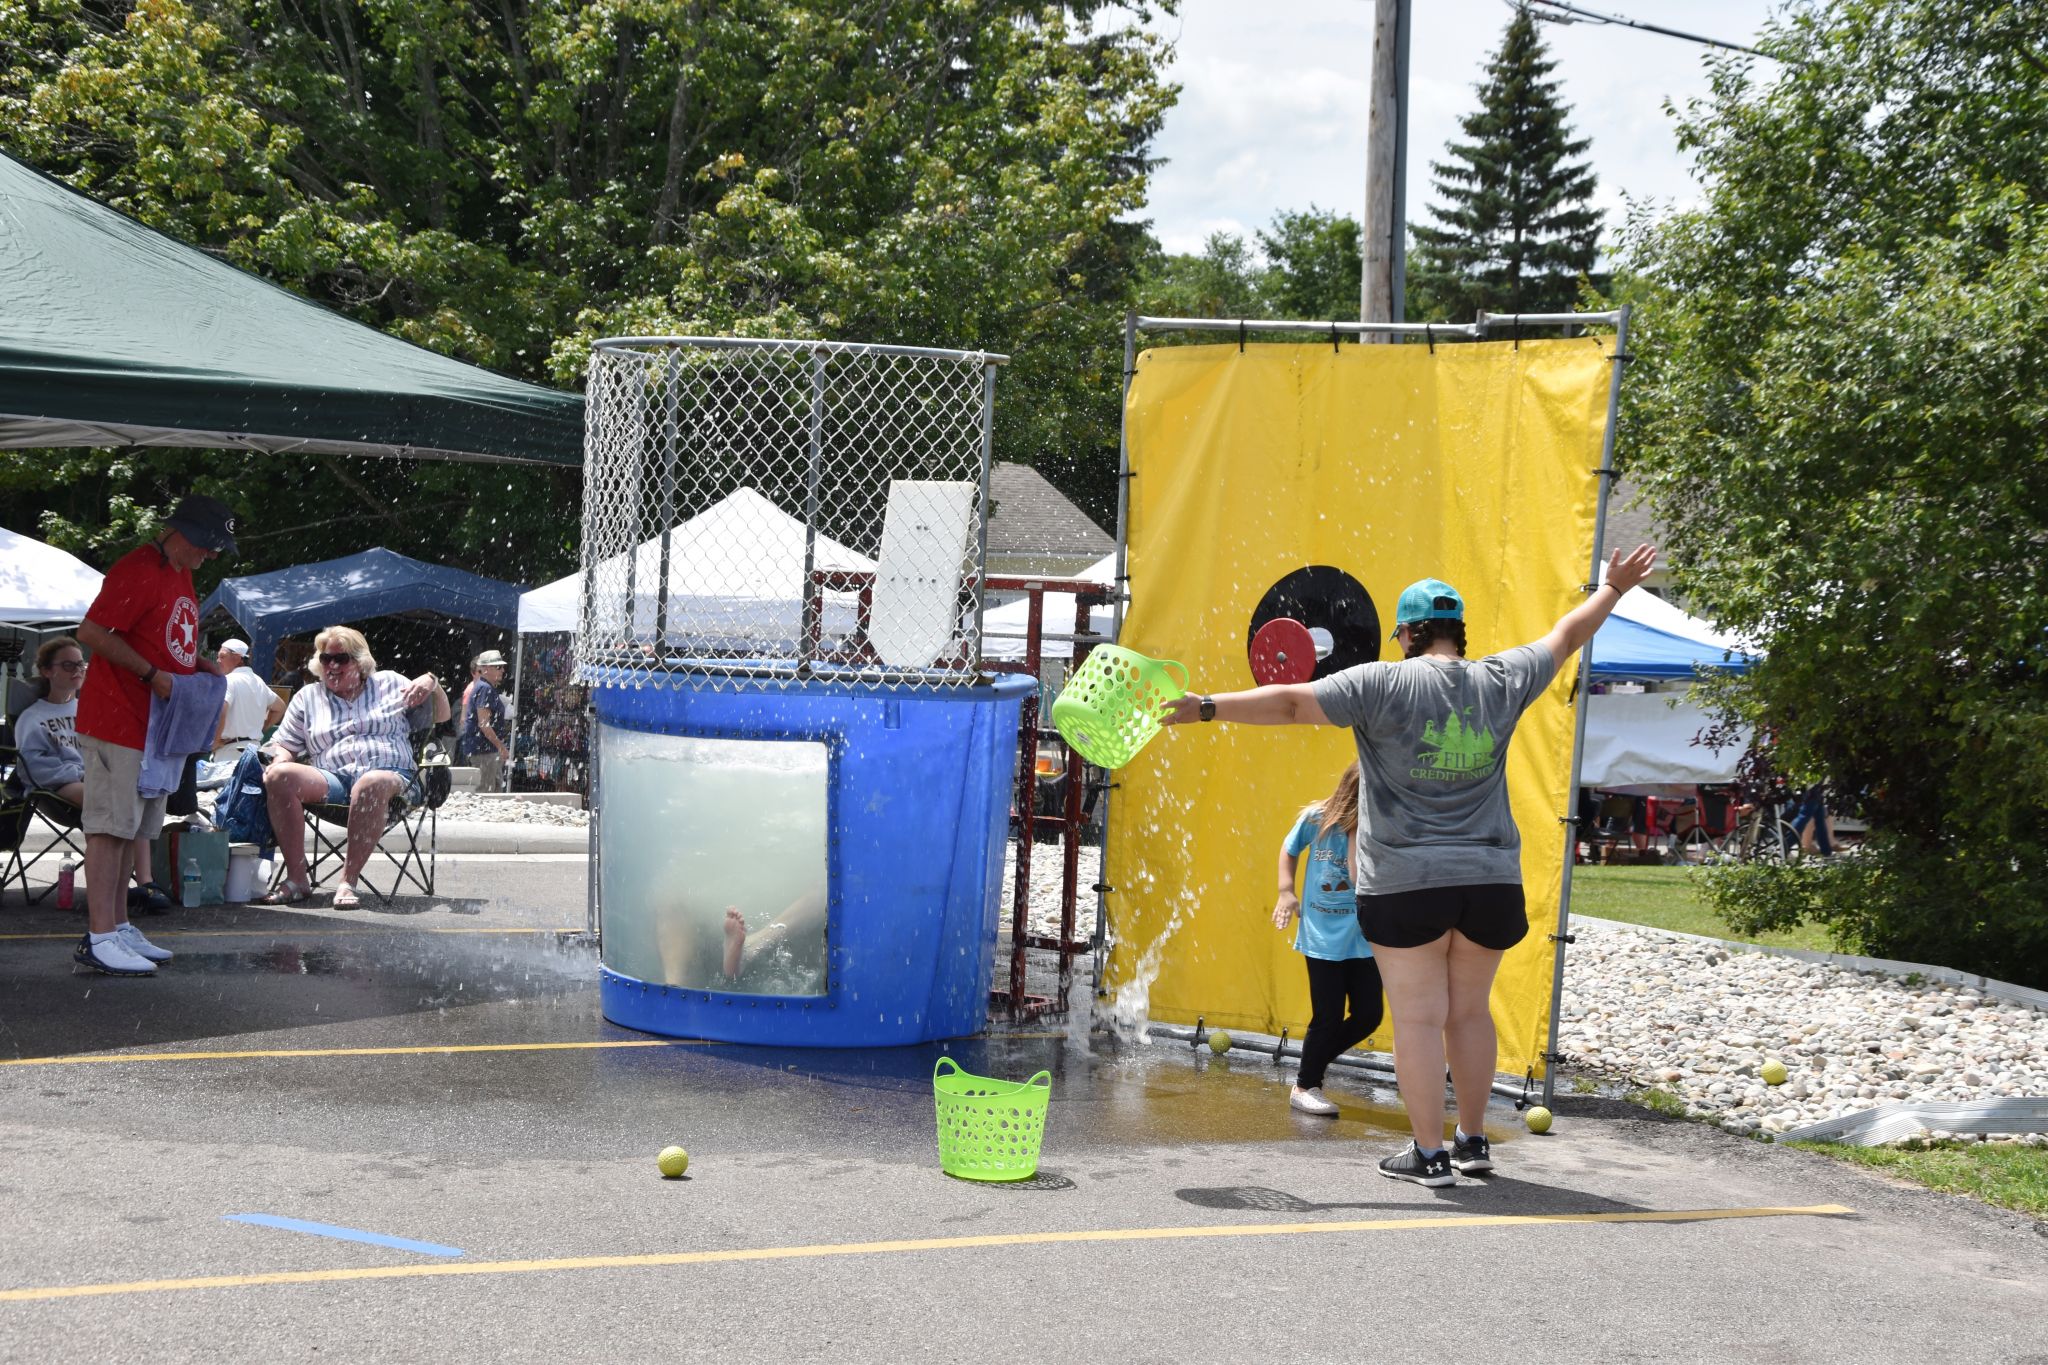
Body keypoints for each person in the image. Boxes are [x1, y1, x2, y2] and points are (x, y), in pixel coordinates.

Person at [1161, 543, 1658, 1186]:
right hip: (1489, 881)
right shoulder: (1501, 678)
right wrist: (1613, 589)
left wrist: (1204, 707)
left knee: (1420, 1017)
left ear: (1406, 634)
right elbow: (1566, 636)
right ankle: (1473, 1142)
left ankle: (1428, 1156)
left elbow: (1287, 703)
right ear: (1458, 632)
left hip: (1403, 882)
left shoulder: (1378, 682)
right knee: (1470, 1012)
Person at [71, 495, 237, 974]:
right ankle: (100, 935)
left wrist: (192, 666)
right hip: (119, 718)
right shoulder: (139, 569)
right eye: (209, 545)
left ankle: (118, 926)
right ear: (182, 532)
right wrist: (153, 675)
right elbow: (92, 632)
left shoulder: (180, 570)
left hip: (154, 726)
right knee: (108, 828)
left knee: (133, 830)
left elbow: (165, 638)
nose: (213, 554)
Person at [258, 626, 449, 909]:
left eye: (341, 659)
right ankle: (297, 879)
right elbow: (285, 744)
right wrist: (280, 760)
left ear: (360, 662)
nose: (332, 666)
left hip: (393, 779)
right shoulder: (308, 697)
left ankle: (348, 881)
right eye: (326, 659)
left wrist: (432, 682)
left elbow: (442, 715)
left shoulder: (390, 683)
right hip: (333, 779)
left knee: (370, 782)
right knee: (279, 775)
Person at [1274, 761, 1383, 1116]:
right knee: (1328, 1016)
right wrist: (1286, 891)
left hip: (1363, 939)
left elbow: (1356, 874)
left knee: (1369, 1015)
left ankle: (1311, 1064)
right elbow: (1289, 850)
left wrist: (1360, 831)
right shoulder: (1316, 819)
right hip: (1322, 938)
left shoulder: (1377, 827)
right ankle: (1306, 1085)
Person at [15, 637, 87, 806]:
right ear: (46, 671)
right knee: (105, 801)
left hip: (98, 780)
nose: (77, 670)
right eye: (68, 665)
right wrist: (80, 774)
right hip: (56, 788)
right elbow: (30, 766)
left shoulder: (91, 711)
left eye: (81, 664)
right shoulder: (32, 717)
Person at [212, 637, 285, 764]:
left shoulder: (228, 681)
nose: (218, 661)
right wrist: (261, 729)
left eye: (222, 656)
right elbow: (280, 707)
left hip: (229, 755)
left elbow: (221, 711)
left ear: (238, 658)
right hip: (254, 753)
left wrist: (215, 741)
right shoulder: (259, 682)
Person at [457, 650, 512, 792]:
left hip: (484, 749)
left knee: (494, 788)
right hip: (483, 751)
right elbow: (484, 724)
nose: (502, 670)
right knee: (486, 793)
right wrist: (501, 747)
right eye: (498, 667)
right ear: (486, 669)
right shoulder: (485, 689)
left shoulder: (484, 687)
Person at [1791, 781, 1835, 857]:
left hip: (1815, 787)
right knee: (1806, 816)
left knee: (1818, 819)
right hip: (1814, 787)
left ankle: (1826, 851)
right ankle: (1786, 843)